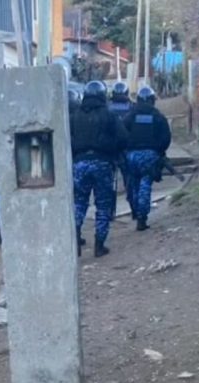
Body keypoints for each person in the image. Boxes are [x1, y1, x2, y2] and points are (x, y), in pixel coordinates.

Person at [70, 80, 128, 257]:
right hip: (103, 163)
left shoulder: (74, 116)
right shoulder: (109, 115)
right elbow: (123, 138)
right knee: (103, 205)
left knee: (79, 202)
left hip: (79, 163)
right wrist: (113, 150)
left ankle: (75, 238)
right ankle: (99, 245)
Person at [124, 86, 171, 231]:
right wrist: (159, 151)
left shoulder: (130, 116)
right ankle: (142, 218)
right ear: (152, 100)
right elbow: (166, 138)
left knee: (133, 185)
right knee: (145, 185)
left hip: (131, 156)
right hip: (150, 156)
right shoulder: (158, 116)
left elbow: (122, 134)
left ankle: (135, 211)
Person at [108, 82, 136, 219]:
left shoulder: (107, 107)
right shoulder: (132, 107)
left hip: (110, 150)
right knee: (129, 181)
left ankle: (110, 212)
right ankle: (134, 210)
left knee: (110, 182)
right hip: (126, 149)